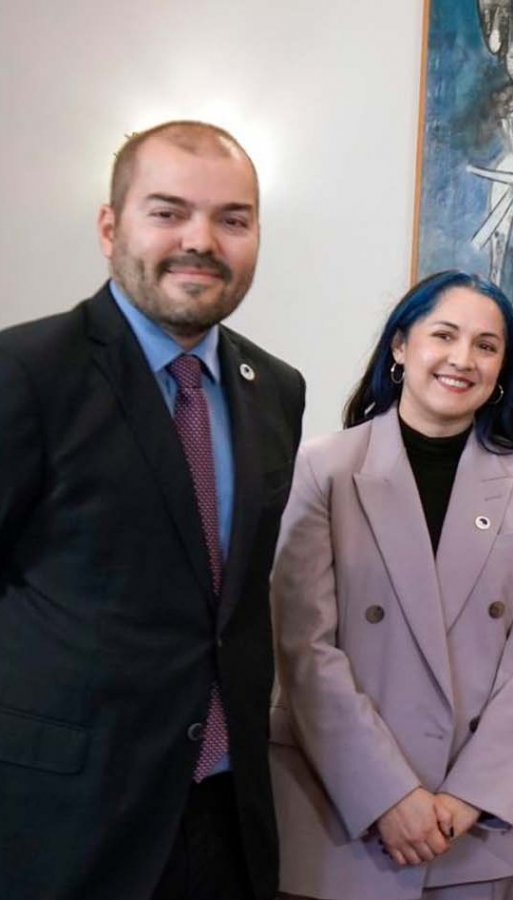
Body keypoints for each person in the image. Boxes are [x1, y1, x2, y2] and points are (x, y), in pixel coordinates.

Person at [0, 120, 305, 899]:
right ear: (111, 227)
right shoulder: (26, 372)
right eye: (168, 212)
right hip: (66, 821)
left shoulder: (275, 389)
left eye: (232, 219)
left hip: (227, 819)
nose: (201, 241)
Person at [269, 271, 513, 900]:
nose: (463, 359)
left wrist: (468, 795)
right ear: (401, 347)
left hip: (477, 826)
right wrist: (387, 795)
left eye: (487, 346)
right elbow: (304, 650)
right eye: (445, 335)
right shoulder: (326, 467)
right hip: (345, 810)